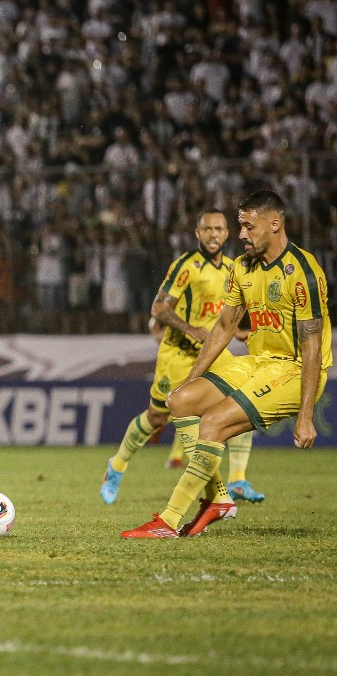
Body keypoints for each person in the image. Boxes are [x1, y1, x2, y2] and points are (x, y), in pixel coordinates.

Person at [123, 190, 331, 538]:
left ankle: (170, 521)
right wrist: (191, 379)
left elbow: (311, 347)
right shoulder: (243, 267)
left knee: (214, 424)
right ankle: (218, 499)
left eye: (249, 226)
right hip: (257, 363)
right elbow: (223, 326)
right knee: (180, 400)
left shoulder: (303, 273)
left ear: (274, 224)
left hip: (293, 369)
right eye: (240, 226)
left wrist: (306, 416)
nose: (241, 235)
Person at [100, 210, 262, 504]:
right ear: (197, 233)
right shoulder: (186, 266)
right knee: (157, 417)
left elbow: (222, 312)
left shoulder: (231, 268)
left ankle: (237, 480)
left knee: (242, 402)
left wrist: (237, 331)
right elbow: (159, 309)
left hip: (212, 351)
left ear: (227, 234)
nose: (213, 234)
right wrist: (190, 329)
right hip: (177, 353)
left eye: (219, 229)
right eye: (207, 229)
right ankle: (117, 466)